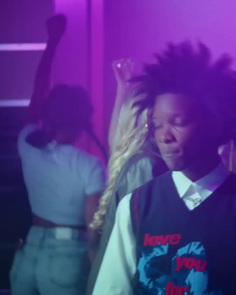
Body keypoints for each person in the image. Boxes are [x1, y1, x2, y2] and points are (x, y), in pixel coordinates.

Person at [92, 42, 236, 295]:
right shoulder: (136, 207)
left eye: (178, 122)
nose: (164, 136)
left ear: (215, 124)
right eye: (157, 124)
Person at [9, 14, 105, 295]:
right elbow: (93, 231)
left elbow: (39, 90)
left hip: (30, 248)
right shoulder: (89, 166)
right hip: (67, 255)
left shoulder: (27, 143)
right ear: (82, 121)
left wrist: (53, 41)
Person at [86, 59, 167, 295]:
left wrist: (123, 89)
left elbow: (116, 141)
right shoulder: (142, 164)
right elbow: (140, 232)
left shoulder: (129, 160)